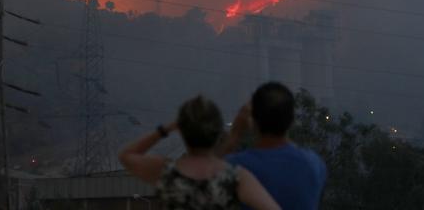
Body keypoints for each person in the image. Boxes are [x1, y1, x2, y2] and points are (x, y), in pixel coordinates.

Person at [119, 95, 281, 210]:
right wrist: (236, 133)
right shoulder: (235, 178)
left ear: (182, 131)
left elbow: (126, 155)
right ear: (218, 131)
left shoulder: (166, 173)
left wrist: (165, 129)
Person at [222, 82, 327, 210]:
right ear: (292, 120)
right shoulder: (314, 165)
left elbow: (204, 182)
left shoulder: (235, 167)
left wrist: (235, 134)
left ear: (253, 121)